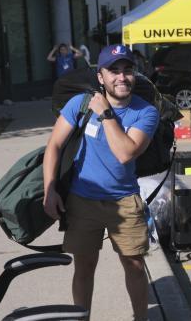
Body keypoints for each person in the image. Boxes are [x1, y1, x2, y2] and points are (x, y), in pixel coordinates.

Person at [42, 44, 159, 321]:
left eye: (127, 70)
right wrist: (50, 190)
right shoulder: (80, 104)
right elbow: (54, 145)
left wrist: (106, 113)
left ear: (134, 74)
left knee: (134, 265)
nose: (121, 77)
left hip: (125, 201)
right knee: (84, 268)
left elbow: (125, 152)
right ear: (100, 77)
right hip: (82, 199)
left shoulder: (146, 112)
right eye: (113, 70)